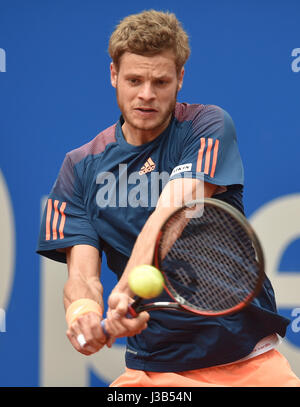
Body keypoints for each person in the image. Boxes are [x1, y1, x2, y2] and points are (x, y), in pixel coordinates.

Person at [37, 10, 300, 387]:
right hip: (154, 370)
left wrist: (124, 291)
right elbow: (81, 275)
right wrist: (85, 313)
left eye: (160, 81)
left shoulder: (205, 125)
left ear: (180, 79)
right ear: (114, 75)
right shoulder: (80, 168)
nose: (146, 94)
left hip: (247, 363)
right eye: (134, 80)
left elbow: (172, 214)